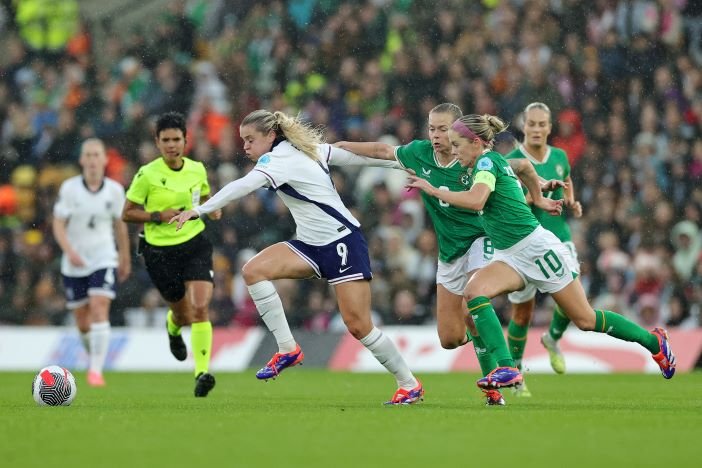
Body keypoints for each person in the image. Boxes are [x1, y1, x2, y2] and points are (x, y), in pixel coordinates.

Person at [170, 109, 424, 405]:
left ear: (270, 135)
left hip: (342, 242)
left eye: (251, 139)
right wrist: (399, 164)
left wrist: (199, 210)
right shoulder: (308, 150)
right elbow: (354, 156)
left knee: (358, 325)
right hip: (310, 245)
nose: (246, 147)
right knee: (253, 271)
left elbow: (244, 186)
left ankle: (409, 384)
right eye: (243, 141)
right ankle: (288, 348)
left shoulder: (278, 159)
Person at [406, 113, 676, 390]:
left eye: (457, 144)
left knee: (585, 319)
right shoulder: (480, 165)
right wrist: (538, 198)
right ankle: (508, 368)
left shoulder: (486, 162)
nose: (453, 150)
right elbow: (523, 165)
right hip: (508, 256)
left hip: (535, 250)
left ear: (476, 143)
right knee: (474, 294)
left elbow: (476, 201)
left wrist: (431, 189)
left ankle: (654, 341)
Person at [335, 103, 560, 406]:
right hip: (450, 251)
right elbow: (380, 151)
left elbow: (516, 167)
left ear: (458, 131)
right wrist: (332, 148)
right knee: (450, 337)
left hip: (482, 239)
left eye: (443, 129)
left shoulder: (474, 159)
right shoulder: (420, 154)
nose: (436, 136)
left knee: (473, 303)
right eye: (432, 129)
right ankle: (487, 347)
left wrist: (537, 193)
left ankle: (504, 373)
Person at [121, 111, 222, 398]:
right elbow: (127, 213)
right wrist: (156, 215)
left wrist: (213, 207)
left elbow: (203, 197)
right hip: (159, 252)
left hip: (194, 244)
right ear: (157, 142)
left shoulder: (197, 169)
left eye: (176, 139)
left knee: (201, 306)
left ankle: (202, 372)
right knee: (183, 313)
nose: (171, 145)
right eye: (166, 140)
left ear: (186, 140)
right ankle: (173, 327)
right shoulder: (147, 175)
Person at [505, 102, 583, 397]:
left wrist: (572, 200)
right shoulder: (511, 160)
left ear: (550, 128)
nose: (536, 129)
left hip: (558, 237)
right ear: (524, 126)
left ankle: (552, 338)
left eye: (542, 124)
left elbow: (567, 179)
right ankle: (515, 373)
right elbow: (508, 204)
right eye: (532, 124)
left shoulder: (560, 156)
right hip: (525, 242)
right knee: (523, 314)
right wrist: (533, 197)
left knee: (572, 300)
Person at [52, 138, 131, 387]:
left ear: (105, 160)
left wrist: (124, 256)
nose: (93, 160)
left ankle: (95, 371)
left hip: (103, 256)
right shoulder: (69, 188)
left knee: (99, 306)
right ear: (82, 160)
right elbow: (58, 224)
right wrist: (69, 251)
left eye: (97, 155)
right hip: (74, 261)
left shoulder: (115, 191)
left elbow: (120, 226)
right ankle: (92, 353)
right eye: (89, 155)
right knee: (83, 322)